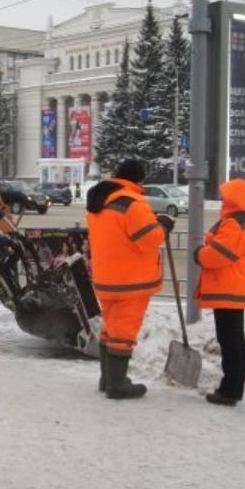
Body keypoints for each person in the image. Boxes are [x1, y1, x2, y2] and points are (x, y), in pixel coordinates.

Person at [85, 158, 171, 399]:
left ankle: (107, 378)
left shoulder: (100, 202)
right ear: (139, 179)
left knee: (110, 329)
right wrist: (163, 226)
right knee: (123, 332)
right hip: (131, 281)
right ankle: (117, 384)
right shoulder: (133, 203)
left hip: (106, 278)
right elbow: (149, 238)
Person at [193, 178, 245, 407]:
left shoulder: (234, 223)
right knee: (235, 340)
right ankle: (234, 388)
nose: (222, 198)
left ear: (233, 198)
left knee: (230, 341)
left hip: (228, 288)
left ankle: (229, 390)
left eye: (225, 195)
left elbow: (218, 255)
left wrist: (199, 254)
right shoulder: (244, 219)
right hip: (235, 287)